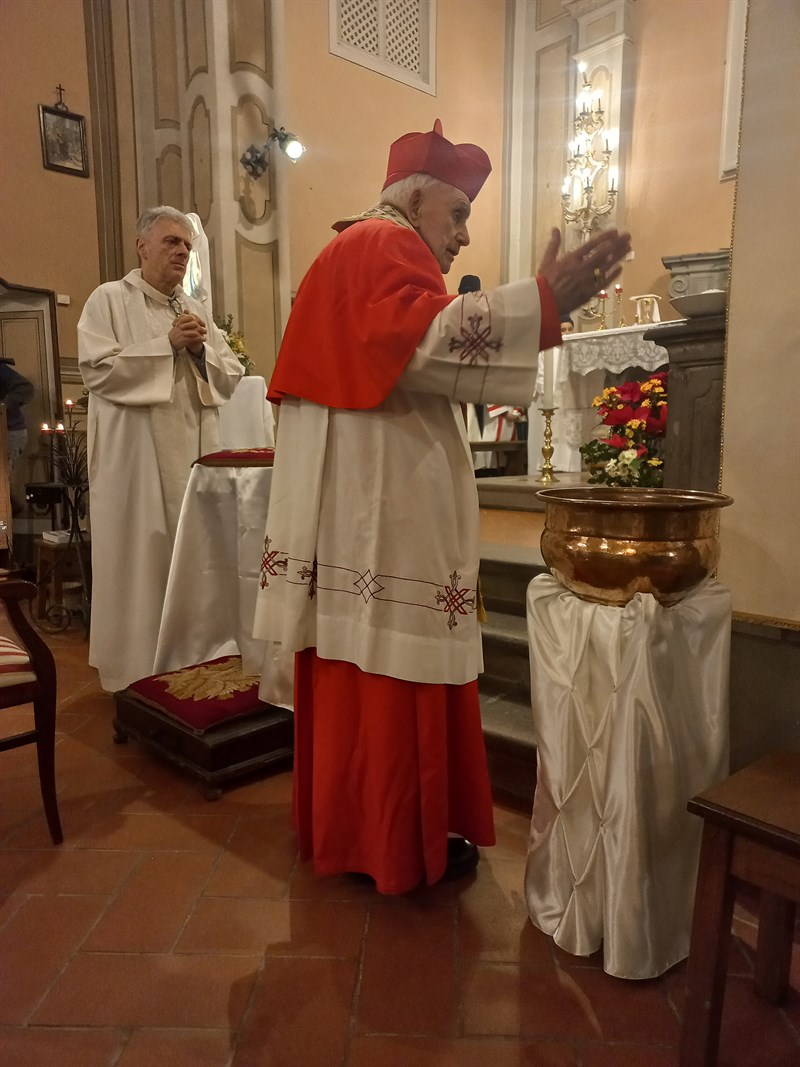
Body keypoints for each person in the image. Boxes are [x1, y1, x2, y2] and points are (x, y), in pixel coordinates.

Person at [252, 120, 630, 894]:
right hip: (384, 512)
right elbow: (427, 338)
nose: (462, 236)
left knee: (355, 665)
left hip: (352, 513)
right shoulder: (383, 245)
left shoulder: (343, 251)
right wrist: (543, 305)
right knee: (396, 665)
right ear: (416, 198)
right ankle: (395, 844)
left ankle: (353, 833)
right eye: (457, 215)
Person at [78, 206, 244, 692]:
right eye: (172, 241)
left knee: (195, 556)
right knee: (144, 559)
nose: (182, 251)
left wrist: (197, 351)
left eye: (187, 245)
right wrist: (166, 346)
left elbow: (231, 374)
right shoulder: (108, 300)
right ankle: (138, 671)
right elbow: (97, 370)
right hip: (139, 467)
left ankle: (195, 660)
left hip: (194, 459)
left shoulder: (194, 308)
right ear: (142, 245)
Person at [0, 358, 34, 513]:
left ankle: (4, 529)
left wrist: (2, 407)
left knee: (2, 485)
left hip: (10, 432)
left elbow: (25, 388)